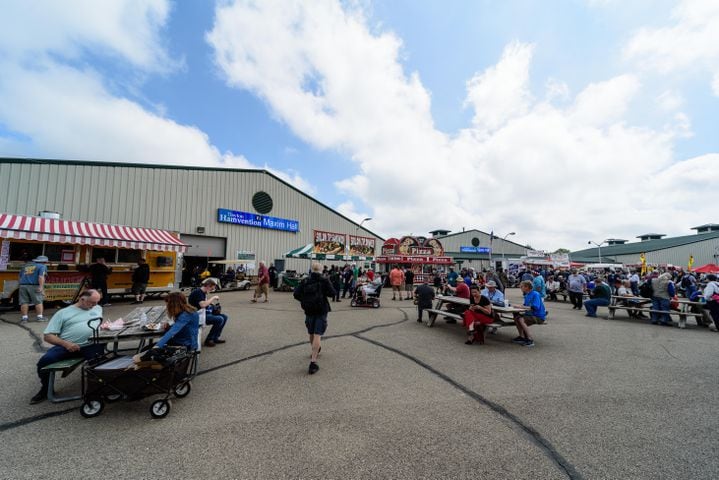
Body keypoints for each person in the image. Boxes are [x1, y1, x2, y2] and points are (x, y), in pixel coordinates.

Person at [31, 290, 105, 404]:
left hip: (91, 344)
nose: (95, 305)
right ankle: (45, 389)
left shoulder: (97, 308)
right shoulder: (63, 313)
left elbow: (98, 323)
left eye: (97, 302)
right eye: (92, 302)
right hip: (67, 346)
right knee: (45, 362)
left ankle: (97, 391)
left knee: (99, 364)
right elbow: (48, 336)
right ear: (82, 299)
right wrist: (66, 344)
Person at [293, 262, 335, 375]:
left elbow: (296, 294)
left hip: (309, 310)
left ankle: (314, 350)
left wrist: (305, 300)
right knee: (317, 334)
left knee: (311, 333)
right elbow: (332, 293)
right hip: (321, 310)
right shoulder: (324, 280)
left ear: (311, 269)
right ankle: (313, 362)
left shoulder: (305, 280)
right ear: (321, 270)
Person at [189, 278, 228, 347]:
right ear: (208, 286)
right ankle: (209, 340)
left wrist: (212, 305)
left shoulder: (203, 293)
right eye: (211, 289)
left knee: (224, 317)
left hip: (203, 313)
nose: (211, 291)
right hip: (197, 315)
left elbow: (204, 303)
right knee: (219, 319)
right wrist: (213, 298)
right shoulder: (198, 292)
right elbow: (203, 305)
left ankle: (215, 338)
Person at [511, 280, 546, 347]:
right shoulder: (527, 295)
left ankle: (530, 340)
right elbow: (526, 306)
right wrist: (518, 307)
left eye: (522, 287)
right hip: (530, 314)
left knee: (521, 319)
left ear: (527, 287)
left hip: (538, 316)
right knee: (516, 317)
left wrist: (521, 306)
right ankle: (522, 337)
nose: (520, 288)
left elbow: (535, 307)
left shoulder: (535, 294)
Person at [19, 254, 49, 323]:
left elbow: (20, 276)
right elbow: (41, 277)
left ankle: (24, 318)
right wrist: (41, 287)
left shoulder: (26, 266)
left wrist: (21, 284)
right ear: (44, 262)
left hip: (23, 285)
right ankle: (40, 317)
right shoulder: (42, 266)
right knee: (38, 301)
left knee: (24, 302)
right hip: (34, 286)